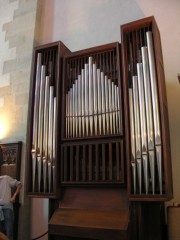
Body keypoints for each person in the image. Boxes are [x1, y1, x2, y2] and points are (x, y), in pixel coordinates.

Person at [0, 175, 22, 240]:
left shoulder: (6, 178)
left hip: (7, 208)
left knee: (9, 233)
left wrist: (14, 196)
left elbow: (19, 184)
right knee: (0, 234)